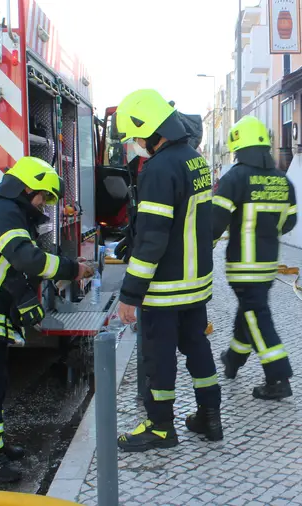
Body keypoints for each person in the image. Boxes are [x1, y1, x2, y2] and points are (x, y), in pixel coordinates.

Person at [0, 156, 93, 482]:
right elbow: (27, 259)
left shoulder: (4, 212)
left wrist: (28, 306)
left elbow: (9, 270)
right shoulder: (5, 215)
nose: (42, 203)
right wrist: (72, 268)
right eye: (42, 196)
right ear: (28, 186)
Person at [113, 88, 222, 452]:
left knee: (158, 358)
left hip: (165, 288)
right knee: (197, 347)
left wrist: (130, 294)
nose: (136, 144)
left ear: (150, 130)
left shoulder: (159, 169)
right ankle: (209, 417)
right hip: (196, 284)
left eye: (136, 136)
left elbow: (154, 240)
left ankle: (160, 428)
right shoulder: (195, 159)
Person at [211, 115, 298, 400]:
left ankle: (278, 377)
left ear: (239, 147)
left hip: (242, 266)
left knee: (257, 317)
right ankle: (233, 360)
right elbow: (289, 222)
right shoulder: (284, 181)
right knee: (248, 311)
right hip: (267, 264)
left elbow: (216, 221)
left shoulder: (235, 177)